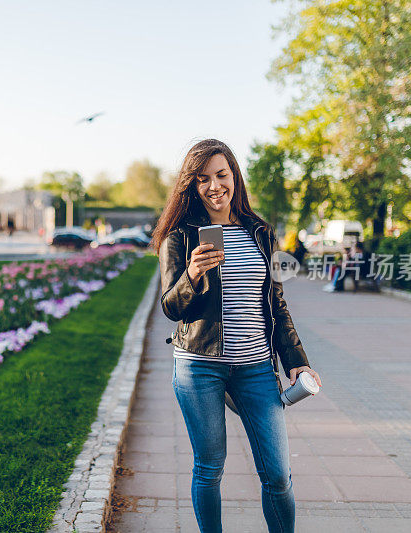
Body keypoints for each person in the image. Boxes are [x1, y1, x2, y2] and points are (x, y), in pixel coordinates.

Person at [151, 139, 322, 533]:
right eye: (203, 179)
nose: (214, 186)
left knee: (278, 475)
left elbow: (276, 303)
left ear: (234, 177)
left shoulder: (260, 231)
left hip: (256, 369)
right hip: (200, 367)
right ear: (191, 185)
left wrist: (297, 361)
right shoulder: (181, 236)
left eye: (221, 175)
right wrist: (192, 274)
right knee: (209, 467)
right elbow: (172, 308)